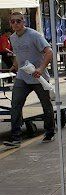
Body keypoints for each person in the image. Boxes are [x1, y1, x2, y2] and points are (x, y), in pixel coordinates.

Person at [3, 12, 55, 147]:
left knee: (46, 105)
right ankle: (15, 138)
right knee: (15, 105)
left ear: (23, 22)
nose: (15, 24)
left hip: (39, 78)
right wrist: (15, 65)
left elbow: (49, 52)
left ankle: (49, 132)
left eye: (18, 21)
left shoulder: (34, 35)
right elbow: (17, 54)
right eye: (12, 22)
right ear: (10, 23)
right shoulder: (13, 38)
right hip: (22, 77)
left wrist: (41, 69)